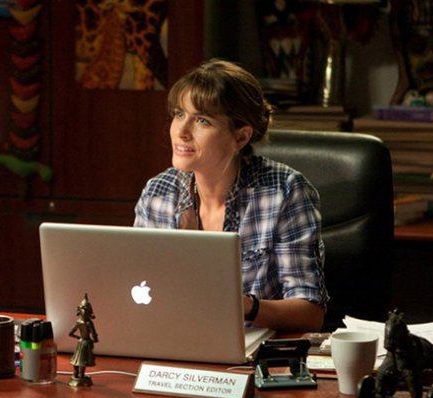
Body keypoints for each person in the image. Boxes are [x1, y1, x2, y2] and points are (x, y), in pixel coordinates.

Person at [133, 59, 328, 332]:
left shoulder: (284, 191)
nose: (181, 131)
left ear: (241, 137)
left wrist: (243, 305)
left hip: (252, 346)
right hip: (173, 339)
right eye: (179, 114)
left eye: (202, 120)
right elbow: (138, 290)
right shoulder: (159, 193)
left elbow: (310, 313)